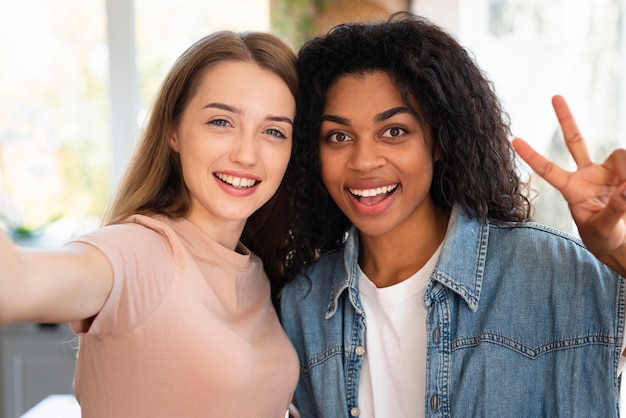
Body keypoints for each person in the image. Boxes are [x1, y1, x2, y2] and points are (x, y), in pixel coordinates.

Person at [278, 12, 626, 418]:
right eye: (338, 136)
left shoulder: (551, 271)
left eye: (394, 131)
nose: (364, 160)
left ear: (439, 140)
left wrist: (617, 247)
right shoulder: (304, 303)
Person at [0, 30, 299, 418]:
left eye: (274, 131)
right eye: (221, 122)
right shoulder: (140, 251)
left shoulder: (258, 270)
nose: (247, 154)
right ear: (173, 131)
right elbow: (18, 281)